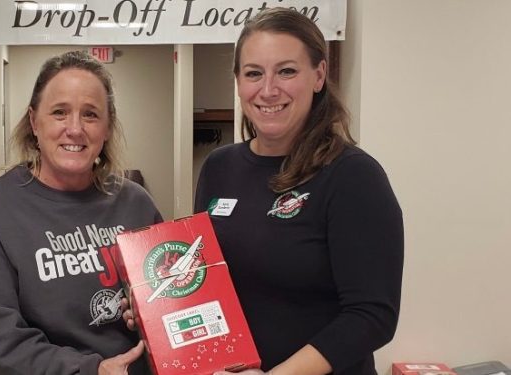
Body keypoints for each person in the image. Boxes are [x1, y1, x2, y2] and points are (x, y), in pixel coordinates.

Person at [124, 8, 403, 375]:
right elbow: (207, 279)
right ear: (239, 81)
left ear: (319, 75)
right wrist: (157, 309)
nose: (269, 90)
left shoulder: (352, 176)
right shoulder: (219, 167)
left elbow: (372, 315)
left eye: (287, 71)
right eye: (254, 73)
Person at [0, 50, 162, 375]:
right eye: (59, 112)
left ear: (107, 127)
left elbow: (167, 303)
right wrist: (91, 370)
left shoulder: (136, 203)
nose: (75, 128)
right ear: (34, 121)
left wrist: (148, 314)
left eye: (91, 115)